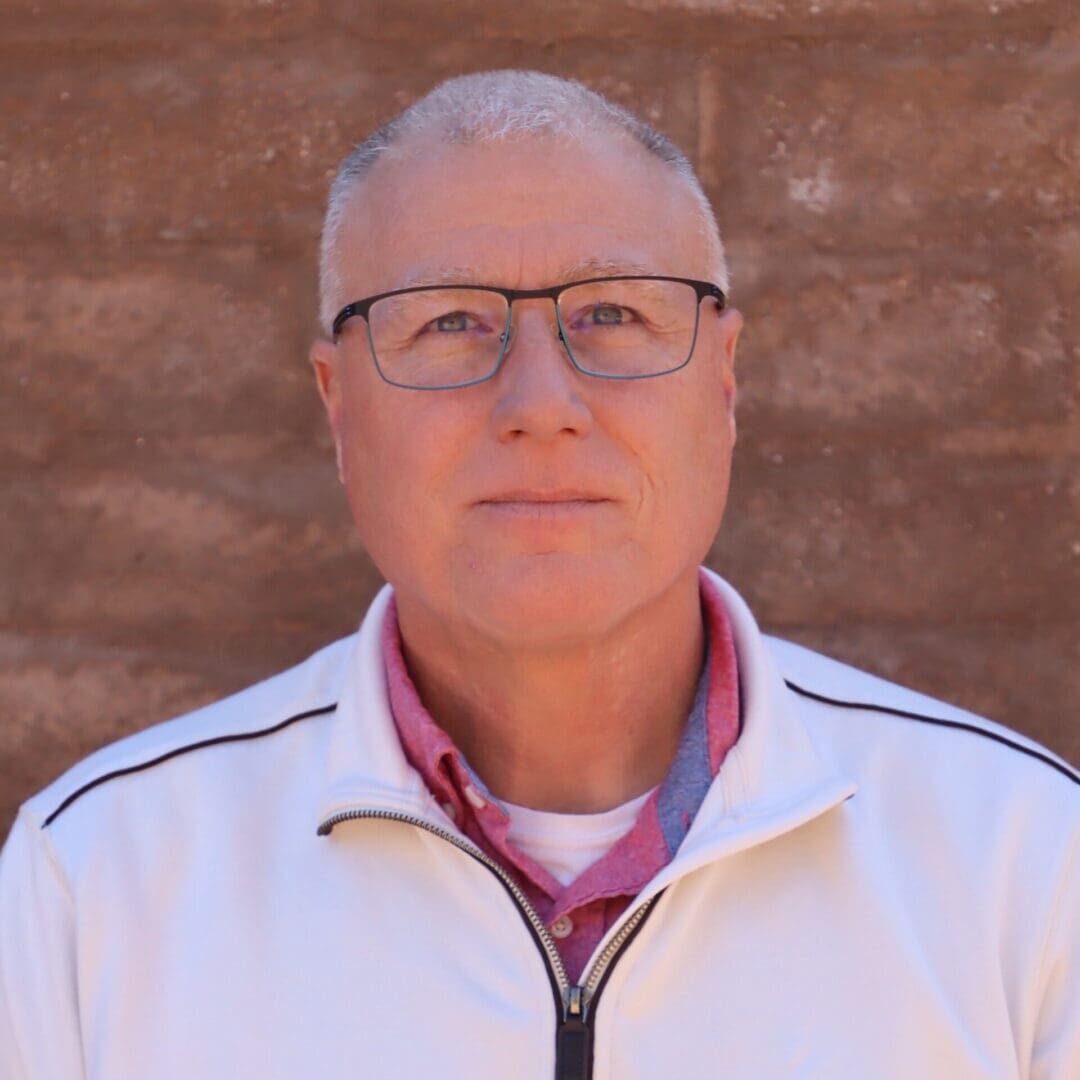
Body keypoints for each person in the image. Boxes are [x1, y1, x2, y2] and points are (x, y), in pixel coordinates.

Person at [1, 69, 1076, 1080]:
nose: (541, 402)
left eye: (613, 313)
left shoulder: (1026, 862)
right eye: (449, 322)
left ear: (726, 380)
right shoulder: (97, 882)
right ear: (338, 407)